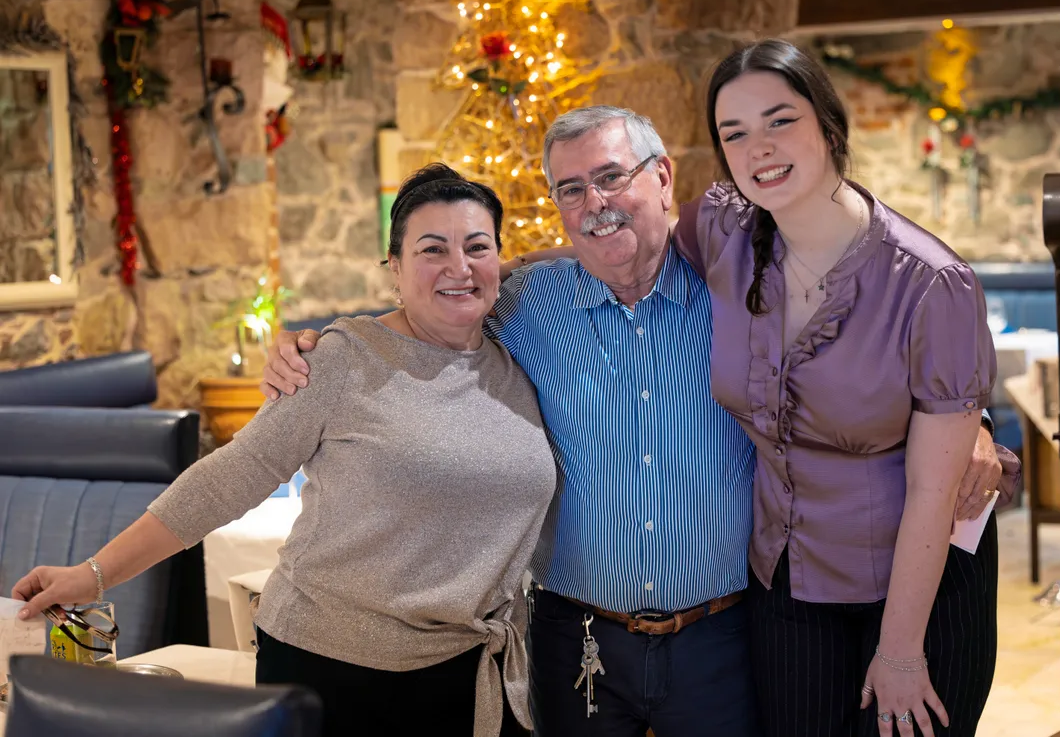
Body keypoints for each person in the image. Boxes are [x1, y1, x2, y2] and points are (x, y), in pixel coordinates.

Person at [260, 107, 1014, 736]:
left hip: (722, 635)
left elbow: (870, 355)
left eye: (612, 176)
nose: (595, 202)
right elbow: (431, 310)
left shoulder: (748, 291)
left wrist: (968, 422)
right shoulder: (524, 304)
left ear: (662, 177)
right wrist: (317, 343)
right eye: (571, 189)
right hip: (575, 637)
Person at [11, 164, 558, 737]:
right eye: (432, 249)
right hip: (336, 666)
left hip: (476, 669)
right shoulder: (343, 359)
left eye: (478, 247)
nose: (459, 267)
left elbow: (595, 259)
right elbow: (231, 476)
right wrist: (94, 574)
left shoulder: (519, 354)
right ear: (394, 267)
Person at [670, 39, 1018, 737]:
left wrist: (899, 651)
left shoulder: (930, 284)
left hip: (920, 585)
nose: (758, 147)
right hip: (787, 579)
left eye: (779, 120)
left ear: (830, 126)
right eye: (733, 133)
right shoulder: (720, 229)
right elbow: (627, 256)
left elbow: (931, 489)